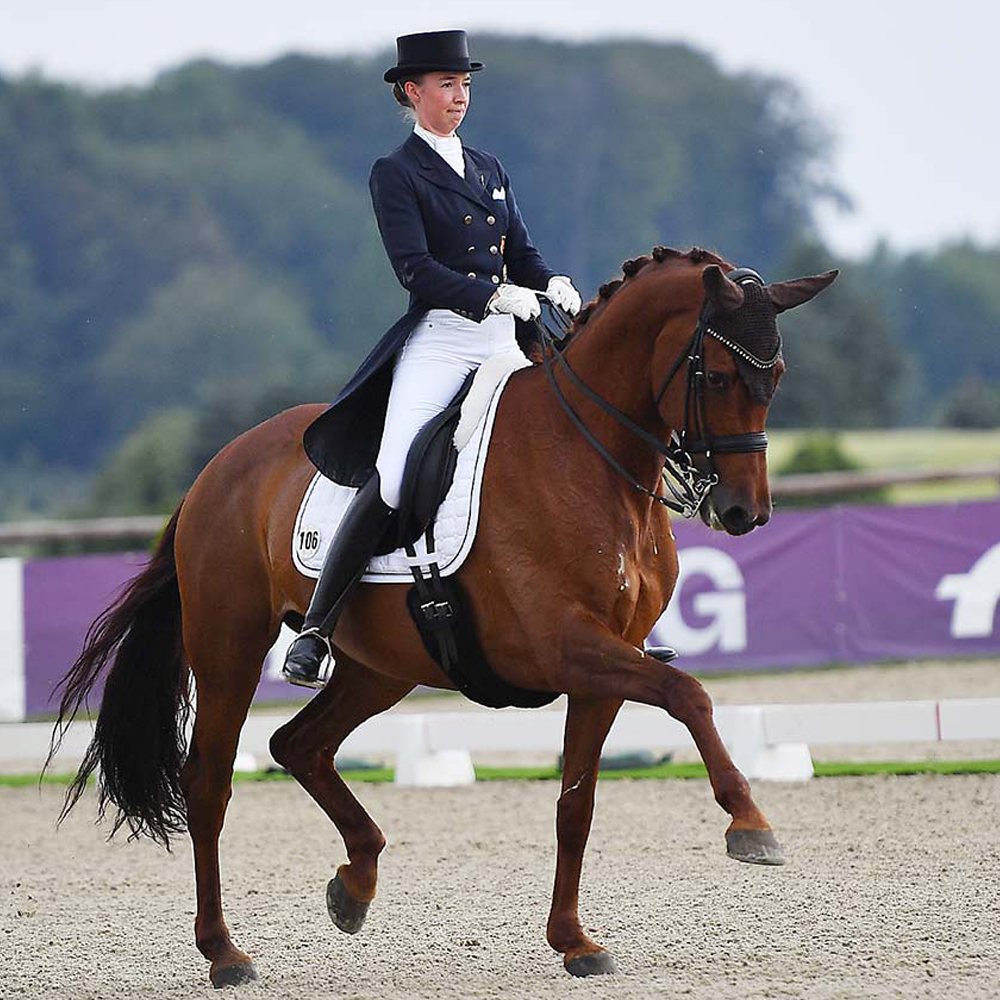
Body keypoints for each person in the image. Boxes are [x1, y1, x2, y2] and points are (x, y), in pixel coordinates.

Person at [283, 29, 581, 687]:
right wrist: (496, 294)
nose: (459, 97)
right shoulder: (396, 173)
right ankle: (316, 630)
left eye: (466, 85)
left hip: (503, 341)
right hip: (443, 339)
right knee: (392, 474)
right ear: (412, 92)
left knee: (565, 447)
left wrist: (548, 280)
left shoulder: (489, 168)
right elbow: (415, 270)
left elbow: (522, 251)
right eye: (447, 85)